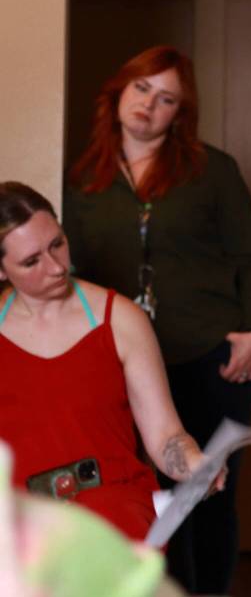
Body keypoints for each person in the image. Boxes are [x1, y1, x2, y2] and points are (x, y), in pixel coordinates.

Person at [63, 46, 251, 594]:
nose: (148, 106)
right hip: (121, 360)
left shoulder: (212, 171)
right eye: (141, 89)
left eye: (166, 100)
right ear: (118, 92)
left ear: (180, 114)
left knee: (205, 494)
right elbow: (74, 271)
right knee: (136, 491)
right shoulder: (83, 176)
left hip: (210, 357)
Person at [0, 182, 220, 543]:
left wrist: (195, 463)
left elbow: (166, 435)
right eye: (31, 261)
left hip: (113, 514)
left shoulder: (120, 318)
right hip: (20, 529)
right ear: (2, 270)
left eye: (57, 244)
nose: (56, 267)